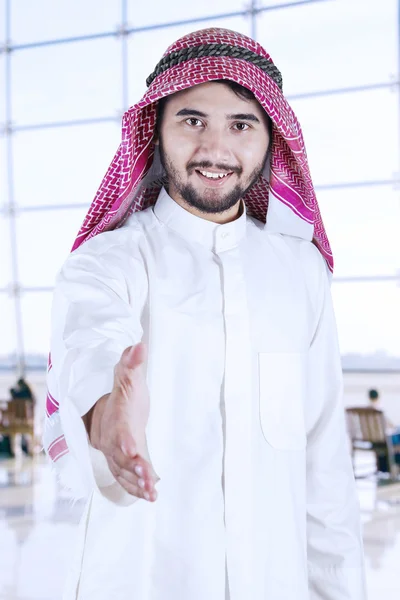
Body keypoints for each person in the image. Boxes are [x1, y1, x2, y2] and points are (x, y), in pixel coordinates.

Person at [43, 28, 367, 600]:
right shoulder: (106, 262)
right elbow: (90, 345)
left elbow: (325, 472)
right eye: (192, 121)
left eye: (241, 125)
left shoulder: (301, 273)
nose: (216, 148)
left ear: (271, 141)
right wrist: (107, 418)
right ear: (157, 132)